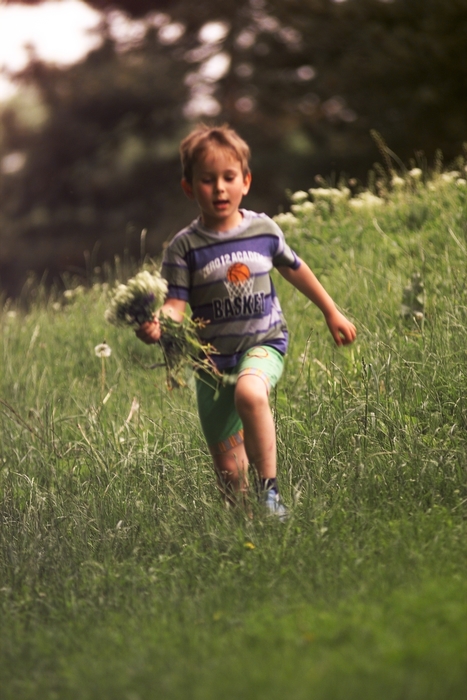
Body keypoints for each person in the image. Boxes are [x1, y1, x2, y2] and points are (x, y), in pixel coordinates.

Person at [136, 123, 356, 518]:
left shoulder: (263, 229)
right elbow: (175, 305)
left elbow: (294, 268)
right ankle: (248, 528)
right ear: (189, 188)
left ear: (246, 181)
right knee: (228, 473)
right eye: (207, 180)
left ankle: (269, 492)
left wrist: (331, 311)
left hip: (264, 341)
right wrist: (158, 325)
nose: (219, 188)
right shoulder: (183, 248)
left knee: (251, 394)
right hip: (211, 362)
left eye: (228, 178)